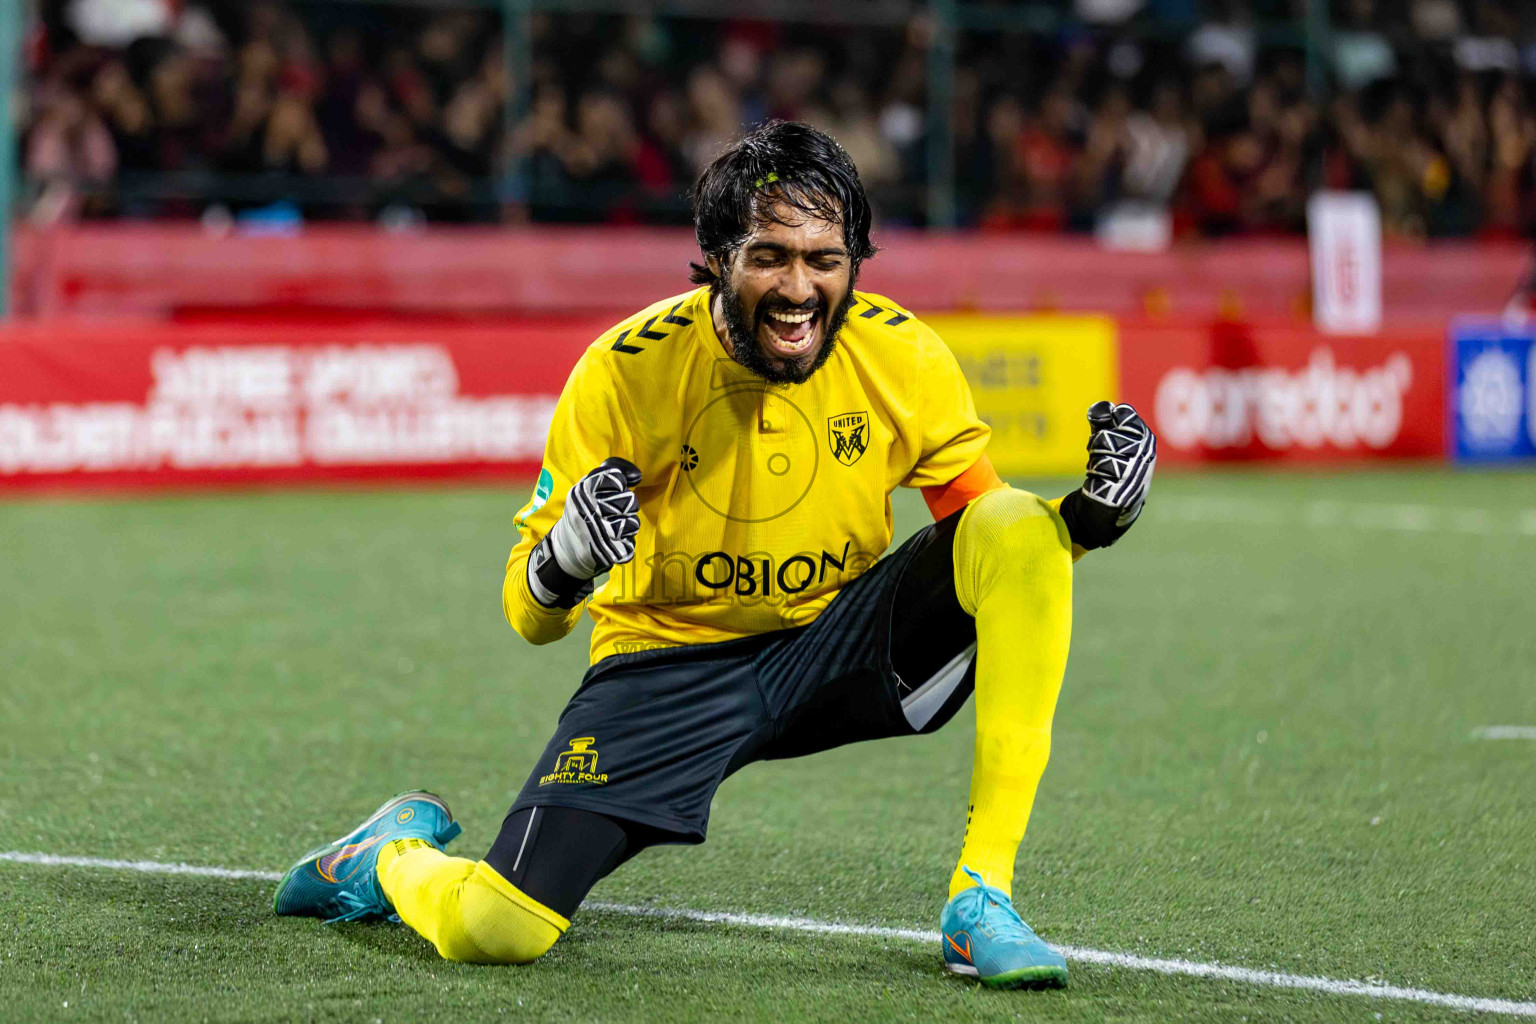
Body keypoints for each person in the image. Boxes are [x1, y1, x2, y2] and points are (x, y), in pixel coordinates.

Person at [273, 121, 1157, 990]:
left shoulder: (902, 354)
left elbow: (994, 548)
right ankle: (386, 857)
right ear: (715, 258)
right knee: (495, 929)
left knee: (1013, 518)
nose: (800, 288)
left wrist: (1083, 521)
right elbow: (527, 613)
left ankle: (981, 899)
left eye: (825, 258)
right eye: (770, 256)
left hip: (832, 646)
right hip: (667, 666)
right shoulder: (624, 371)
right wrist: (565, 561)